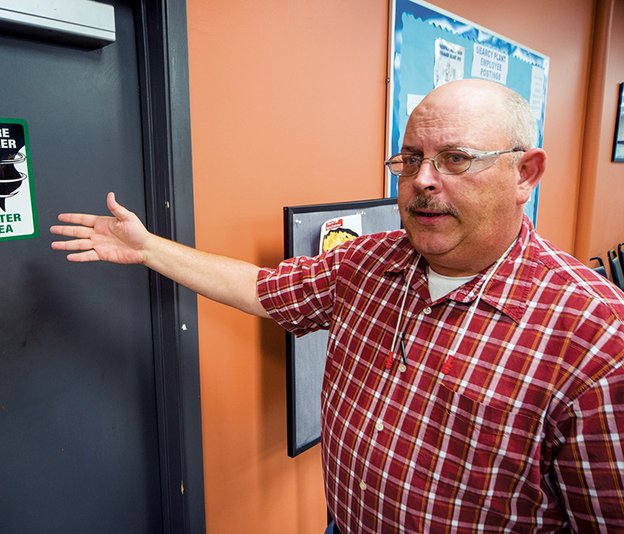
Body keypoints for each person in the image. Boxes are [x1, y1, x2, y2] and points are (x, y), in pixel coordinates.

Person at [50, 79, 624, 533]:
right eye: (409, 158)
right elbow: (261, 288)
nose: (423, 180)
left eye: (456, 159)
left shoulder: (596, 336)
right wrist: (148, 248)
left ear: (525, 173)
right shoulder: (367, 263)